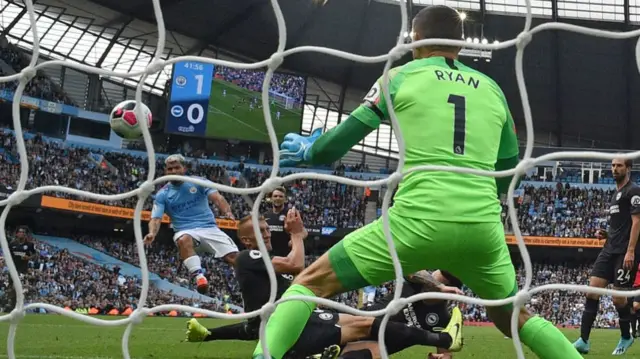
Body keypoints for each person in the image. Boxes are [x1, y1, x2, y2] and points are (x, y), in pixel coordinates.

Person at [254, 5, 582, 359]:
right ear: (459, 43)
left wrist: (308, 150)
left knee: (311, 282)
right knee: (513, 316)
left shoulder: (400, 76)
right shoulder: (493, 89)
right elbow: (508, 165)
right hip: (481, 229)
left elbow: (332, 147)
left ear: (417, 39)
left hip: (414, 222)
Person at [184, 214, 463, 358]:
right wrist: (296, 235)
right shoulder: (250, 257)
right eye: (263, 230)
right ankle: (445, 339)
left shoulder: (446, 313)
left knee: (364, 339)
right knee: (363, 330)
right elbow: (297, 266)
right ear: (246, 240)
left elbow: (248, 328)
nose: (268, 233)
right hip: (290, 322)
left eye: (269, 229)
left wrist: (209, 334)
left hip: (293, 320)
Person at [144, 154, 239, 294]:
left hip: (209, 228)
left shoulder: (199, 182)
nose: (174, 171)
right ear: (165, 171)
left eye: (177, 167)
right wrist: (152, 233)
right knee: (183, 239)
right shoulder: (162, 194)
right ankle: (199, 277)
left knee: (234, 258)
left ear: (184, 168)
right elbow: (156, 218)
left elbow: (217, 198)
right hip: (185, 230)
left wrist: (227, 211)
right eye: (170, 169)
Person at [573, 158, 640, 355]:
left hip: (624, 252)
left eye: (619, 165)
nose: (614, 169)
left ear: (628, 169)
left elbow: (637, 223)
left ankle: (626, 336)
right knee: (592, 291)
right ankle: (583, 340)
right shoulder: (616, 195)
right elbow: (621, 227)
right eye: (612, 165)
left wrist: (630, 251)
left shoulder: (634, 191)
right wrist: (607, 235)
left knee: (618, 300)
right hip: (609, 249)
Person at [3, 226, 36, 312]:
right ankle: (12, 305)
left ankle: (17, 305)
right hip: (12, 268)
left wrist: (28, 257)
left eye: (24, 232)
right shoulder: (12, 244)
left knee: (18, 287)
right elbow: (7, 254)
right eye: (20, 232)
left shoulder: (30, 245)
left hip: (22, 269)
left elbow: (35, 254)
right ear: (17, 234)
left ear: (26, 235)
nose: (22, 234)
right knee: (10, 287)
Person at [264, 186, 291, 257]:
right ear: (271, 198)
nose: (278, 198)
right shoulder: (266, 215)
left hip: (286, 257)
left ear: (285, 199)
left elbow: (303, 232)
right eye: (275, 196)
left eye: (281, 196)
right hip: (269, 256)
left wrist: (293, 241)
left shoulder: (290, 214)